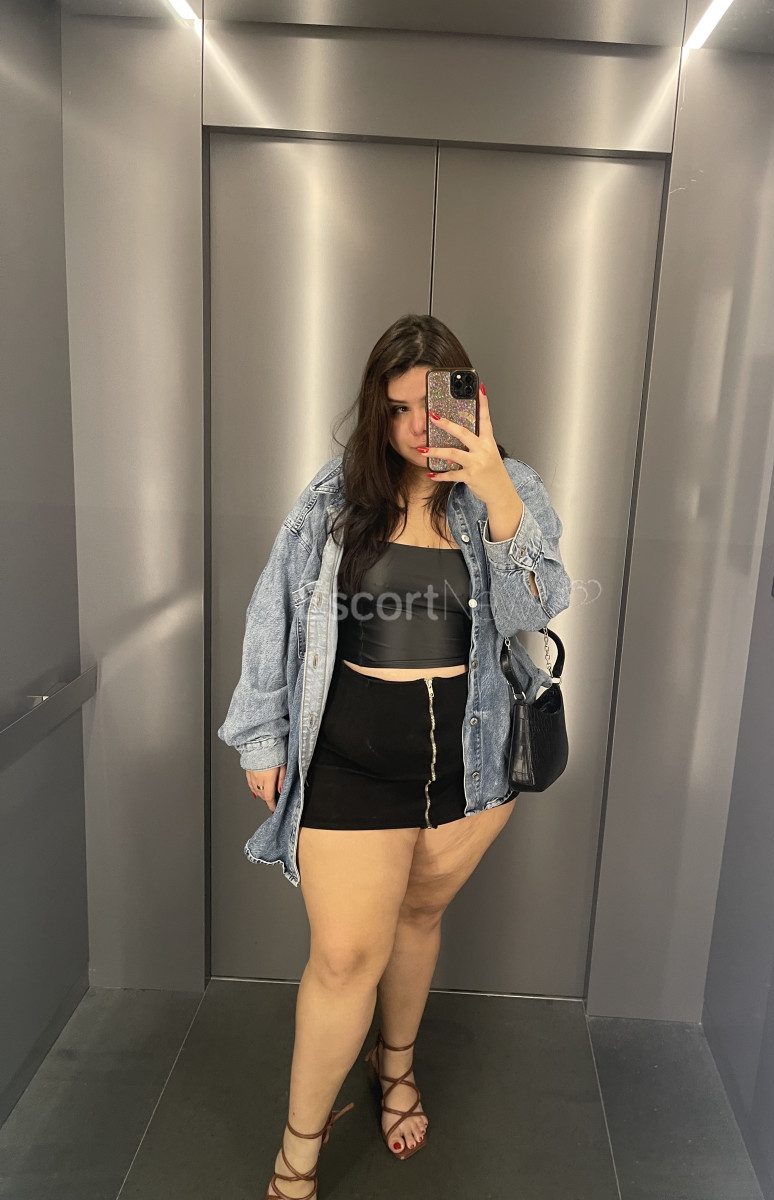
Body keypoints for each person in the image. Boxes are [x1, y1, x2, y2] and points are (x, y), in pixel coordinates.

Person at [218, 313, 571, 1199]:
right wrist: (263, 734)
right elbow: (275, 610)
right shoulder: (336, 496)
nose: (419, 427)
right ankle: (298, 1154)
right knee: (344, 959)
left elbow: (538, 608)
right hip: (350, 762)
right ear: (376, 412)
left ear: (472, 401)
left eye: (435, 404)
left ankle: (397, 1064)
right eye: (399, 408)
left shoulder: (510, 488)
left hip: (471, 765)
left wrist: (494, 488)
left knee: (418, 918)